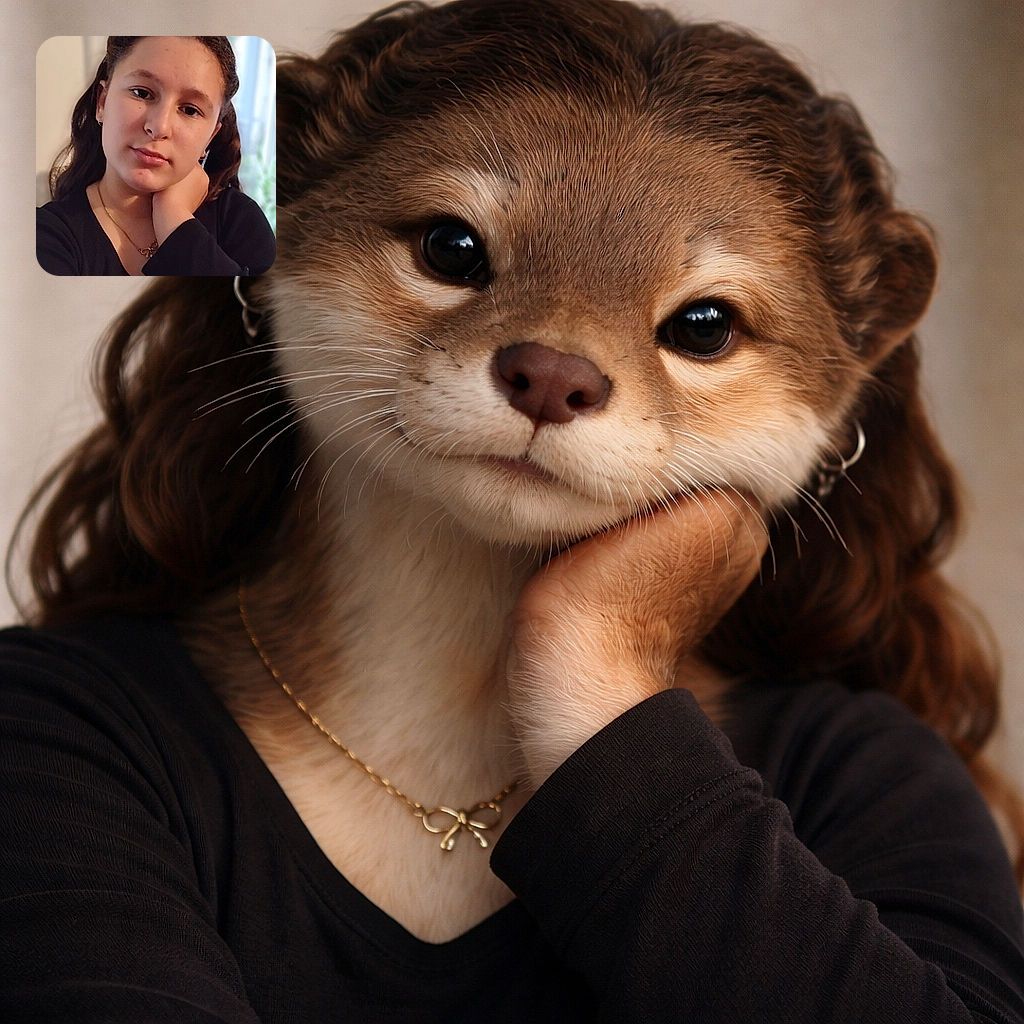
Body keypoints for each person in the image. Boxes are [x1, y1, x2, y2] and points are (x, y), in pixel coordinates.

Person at [4, 2, 1024, 1020]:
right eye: (453, 251)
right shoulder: (63, 730)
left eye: (701, 327)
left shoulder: (862, 775)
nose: (556, 370)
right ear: (266, 248)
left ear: (845, 385)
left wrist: (605, 690)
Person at [36, 36, 275, 276]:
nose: (159, 127)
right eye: (142, 93)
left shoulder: (240, 222)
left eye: (190, 110)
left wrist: (174, 217)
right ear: (102, 102)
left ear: (210, 137)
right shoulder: (45, 236)